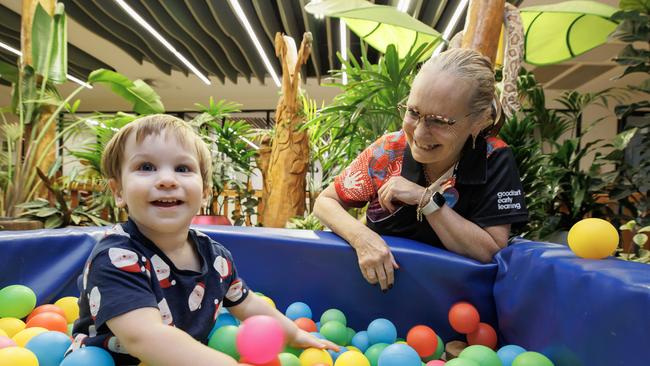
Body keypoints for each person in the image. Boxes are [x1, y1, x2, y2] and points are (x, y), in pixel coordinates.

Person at [68, 115, 337, 365]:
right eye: (146, 167)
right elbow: (144, 338)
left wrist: (294, 335)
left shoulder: (215, 256)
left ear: (205, 193)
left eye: (182, 168)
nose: (166, 180)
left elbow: (247, 303)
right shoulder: (117, 256)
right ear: (118, 191)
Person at [313, 48, 528, 292]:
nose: (419, 133)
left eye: (439, 121)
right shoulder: (388, 151)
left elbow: (490, 250)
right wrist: (363, 239)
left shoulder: (494, 158)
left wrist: (425, 199)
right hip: (376, 294)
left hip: (451, 303)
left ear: (479, 122)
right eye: (413, 112)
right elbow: (325, 202)